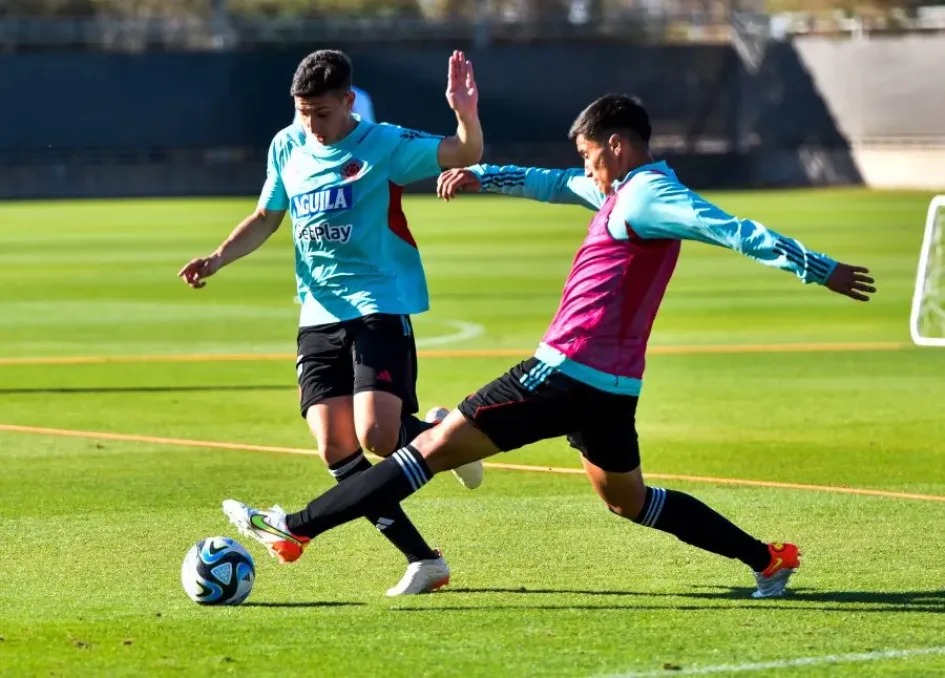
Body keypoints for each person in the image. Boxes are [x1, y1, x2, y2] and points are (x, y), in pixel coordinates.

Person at [219, 93, 876, 598]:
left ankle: (297, 525)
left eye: (590, 152)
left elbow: (732, 229)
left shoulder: (653, 196)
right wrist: (485, 175)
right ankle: (766, 561)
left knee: (425, 450)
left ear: (617, 145)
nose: (585, 164)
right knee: (628, 500)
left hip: (561, 372)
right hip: (611, 389)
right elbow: (551, 181)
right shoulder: (618, 189)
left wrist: (820, 269)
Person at [178, 48, 486, 597]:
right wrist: (218, 257)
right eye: (303, 112)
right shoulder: (286, 145)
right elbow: (267, 215)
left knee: (377, 435)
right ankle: (424, 560)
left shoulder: (383, 144)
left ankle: (446, 440)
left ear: (348, 101)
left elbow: (464, 150)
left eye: (321, 112)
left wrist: (464, 112)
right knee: (336, 447)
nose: (312, 124)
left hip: (378, 303)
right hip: (317, 312)